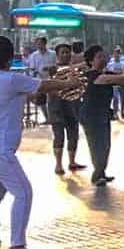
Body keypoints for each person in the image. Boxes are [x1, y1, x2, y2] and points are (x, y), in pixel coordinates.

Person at [0, 36, 83, 249]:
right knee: (23, 192)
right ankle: (17, 245)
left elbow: (33, 94)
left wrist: (49, 89)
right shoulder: (11, 79)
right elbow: (42, 85)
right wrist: (68, 84)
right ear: (11, 56)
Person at [80, 45, 124, 186]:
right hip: (91, 116)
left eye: (104, 56)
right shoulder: (93, 76)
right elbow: (121, 78)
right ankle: (97, 175)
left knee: (105, 145)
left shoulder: (106, 74)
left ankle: (101, 172)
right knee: (97, 145)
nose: (103, 59)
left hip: (102, 115)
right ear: (91, 61)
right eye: (99, 57)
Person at [47, 42, 84, 176]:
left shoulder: (76, 70)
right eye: (62, 52)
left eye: (67, 52)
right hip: (56, 106)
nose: (65, 55)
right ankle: (58, 164)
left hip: (73, 106)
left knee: (73, 134)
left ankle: (72, 162)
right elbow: (48, 87)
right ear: (57, 55)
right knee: (59, 135)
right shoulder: (52, 70)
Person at [106, 46, 124, 120]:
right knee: (115, 98)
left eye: (119, 53)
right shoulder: (110, 64)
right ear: (114, 54)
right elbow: (108, 73)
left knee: (123, 98)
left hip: (122, 83)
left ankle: (122, 111)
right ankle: (115, 113)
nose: (117, 55)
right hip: (114, 84)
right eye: (116, 53)